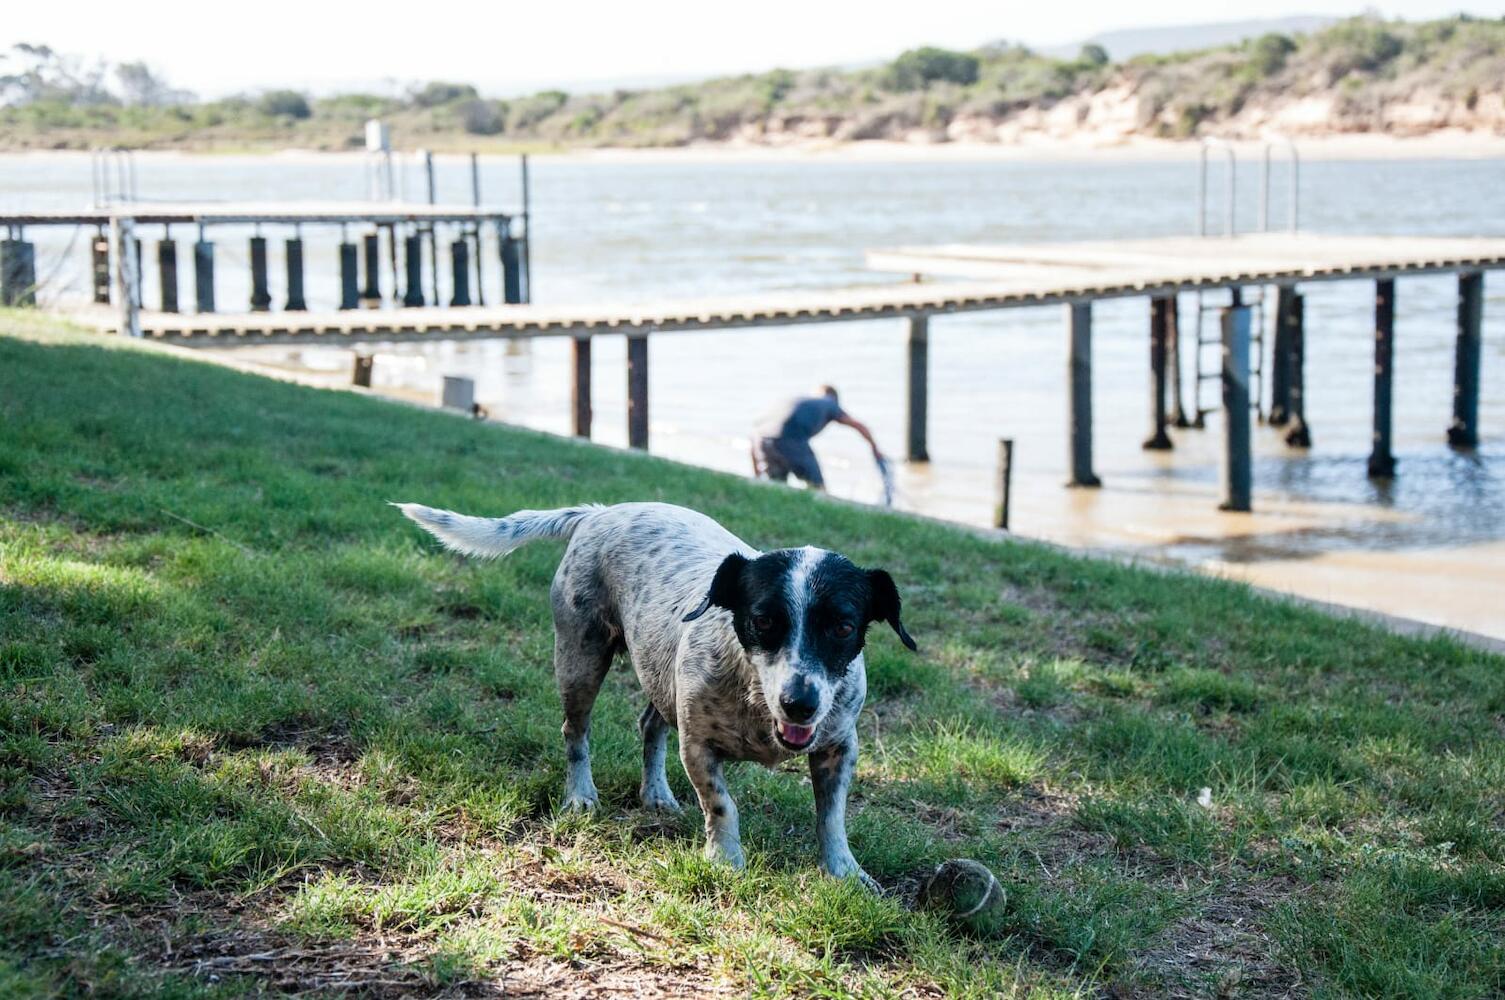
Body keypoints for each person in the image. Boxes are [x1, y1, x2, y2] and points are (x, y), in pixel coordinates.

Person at [751, 386, 884, 491]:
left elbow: (755, 433)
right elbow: (858, 425)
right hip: (791, 440)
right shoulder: (829, 402)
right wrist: (875, 448)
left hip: (763, 440)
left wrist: (756, 475)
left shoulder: (799, 400)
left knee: (777, 487)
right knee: (817, 488)